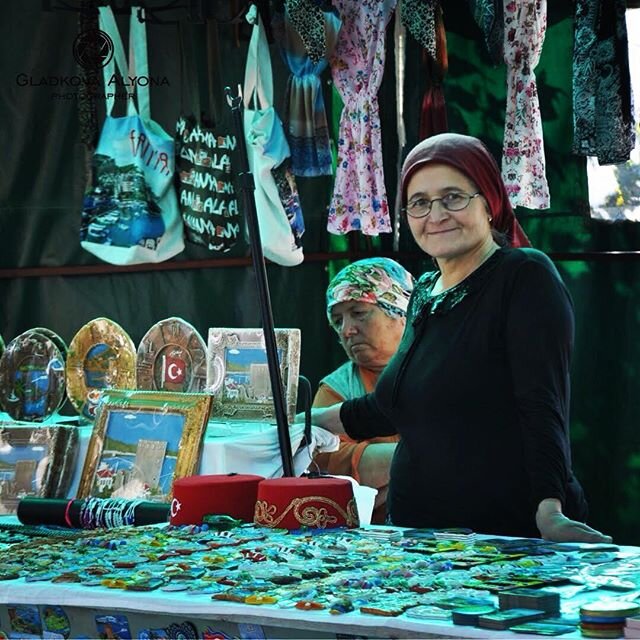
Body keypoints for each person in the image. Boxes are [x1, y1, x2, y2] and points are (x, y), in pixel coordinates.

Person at [310, 133, 611, 542]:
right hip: (419, 538)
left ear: (489, 203)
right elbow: (393, 406)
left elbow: (542, 405)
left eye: (453, 197)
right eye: (420, 202)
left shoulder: (523, 275)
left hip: (500, 538)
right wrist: (297, 423)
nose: (436, 215)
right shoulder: (424, 292)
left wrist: (549, 510)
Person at [312, 258, 415, 524]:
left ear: (400, 314)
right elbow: (322, 461)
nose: (347, 330)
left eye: (359, 313)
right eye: (337, 321)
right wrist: (422, 457)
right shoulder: (338, 388)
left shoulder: (441, 371)